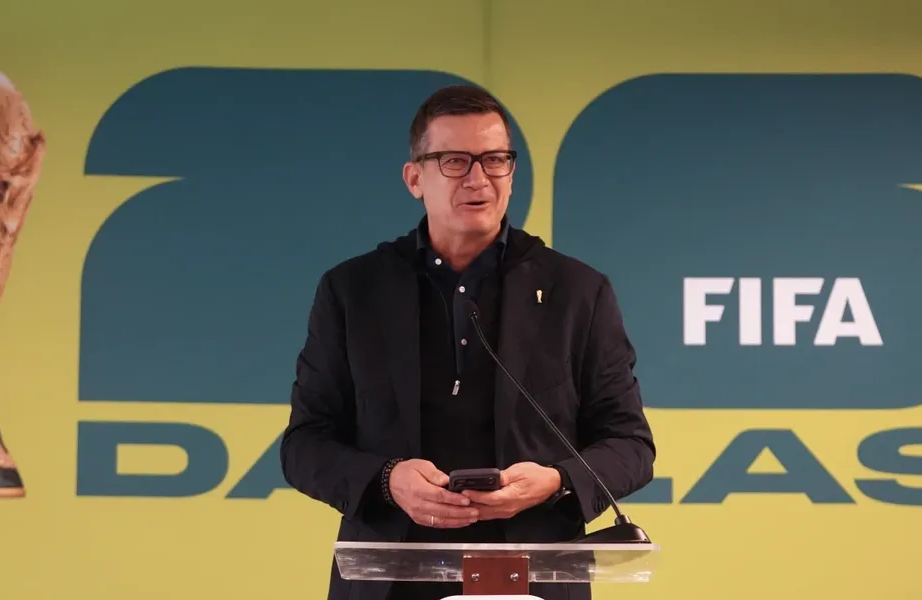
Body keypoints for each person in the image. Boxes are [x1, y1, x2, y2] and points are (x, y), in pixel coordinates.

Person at [279, 84, 656, 600]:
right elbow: (304, 444)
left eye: (495, 160)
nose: (478, 179)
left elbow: (631, 445)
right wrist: (387, 480)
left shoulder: (577, 291)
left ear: (511, 173)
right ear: (415, 178)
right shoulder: (353, 290)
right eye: (455, 161)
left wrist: (556, 480)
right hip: (388, 579)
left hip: (536, 577)